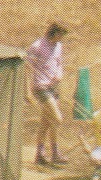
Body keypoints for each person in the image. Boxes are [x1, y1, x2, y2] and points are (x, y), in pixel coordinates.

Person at [26, 23, 69, 166]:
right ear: (53, 32)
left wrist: (59, 73)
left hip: (53, 86)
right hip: (40, 87)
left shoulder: (58, 46)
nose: (61, 38)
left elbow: (59, 63)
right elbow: (27, 66)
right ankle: (53, 152)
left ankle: (41, 154)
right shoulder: (37, 46)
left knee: (47, 122)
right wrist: (27, 91)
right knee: (57, 118)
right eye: (60, 35)